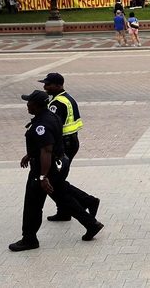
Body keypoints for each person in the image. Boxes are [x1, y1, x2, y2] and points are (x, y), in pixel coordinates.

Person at [9, 90, 103, 251]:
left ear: (36, 106)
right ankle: (91, 223)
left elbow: (46, 151)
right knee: (63, 197)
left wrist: (43, 176)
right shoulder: (51, 117)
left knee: (33, 204)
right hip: (58, 163)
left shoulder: (41, 125)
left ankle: (29, 239)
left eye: (29, 102)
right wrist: (30, 154)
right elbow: (47, 143)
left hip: (46, 168)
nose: (27, 105)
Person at [39, 73, 100, 222]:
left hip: (63, 146)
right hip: (71, 142)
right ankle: (64, 211)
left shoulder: (56, 104)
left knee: (55, 181)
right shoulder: (67, 98)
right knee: (58, 180)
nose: (45, 87)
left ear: (58, 86)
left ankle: (88, 201)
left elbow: (53, 126)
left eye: (48, 84)